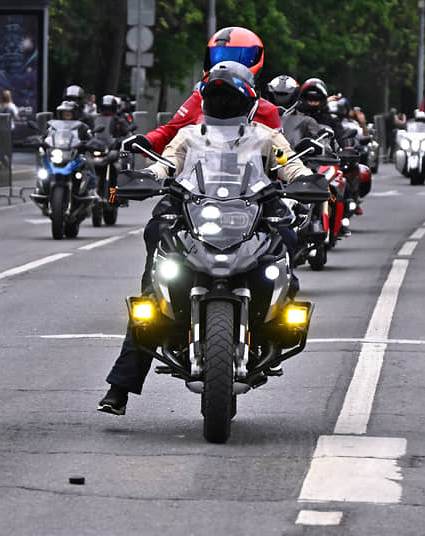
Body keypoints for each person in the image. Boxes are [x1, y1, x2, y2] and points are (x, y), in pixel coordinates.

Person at [98, 61, 317, 415]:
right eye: (217, 96)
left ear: (247, 101)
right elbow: (166, 163)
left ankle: (277, 319)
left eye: (230, 97)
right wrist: (146, 177)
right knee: (153, 279)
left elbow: (289, 163)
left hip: (254, 209)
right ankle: (122, 385)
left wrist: (307, 179)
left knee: (288, 236)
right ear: (207, 99)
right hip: (193, 209)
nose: (224, 104)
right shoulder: (190, 135)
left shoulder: (265, 135)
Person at [123, 27, 281, 156]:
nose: (227, 66)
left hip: (253, 189)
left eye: (237, 58)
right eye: (220, 57)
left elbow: (282, 155)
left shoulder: (268, 111)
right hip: (199, 186)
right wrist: (148, 141)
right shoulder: (199, 98)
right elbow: (171, 132)